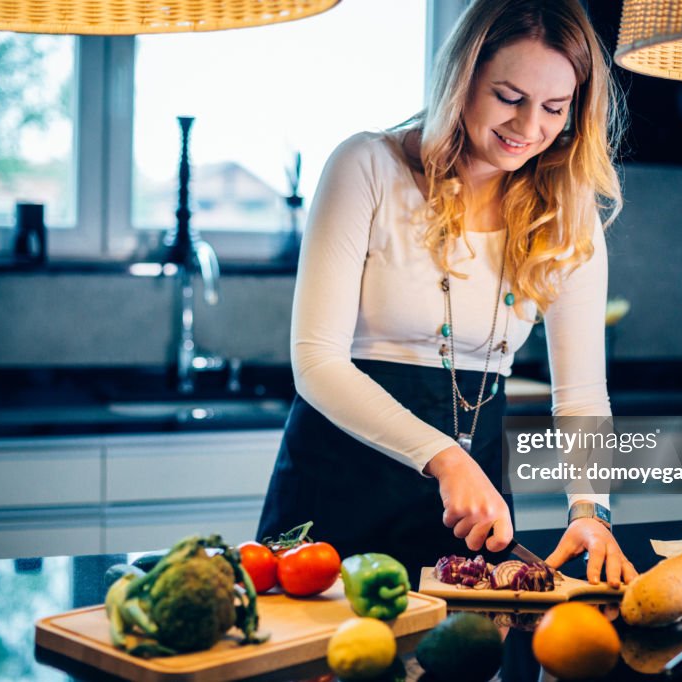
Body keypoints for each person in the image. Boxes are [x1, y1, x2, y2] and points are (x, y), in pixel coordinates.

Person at [257, 0, 637, 588]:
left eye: (554, 108)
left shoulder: (568, 211)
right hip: (337, 489)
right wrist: (447, 458)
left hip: (469, 512)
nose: (529, 127)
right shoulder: (367, 166)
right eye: (509, 97)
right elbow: (316, 363)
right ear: (463, 78)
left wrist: (591, 510)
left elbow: (582, 394)